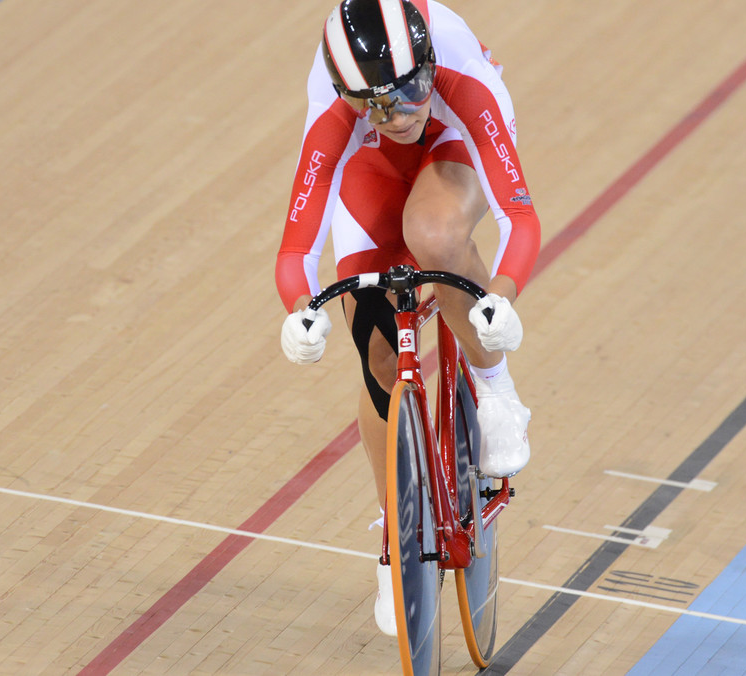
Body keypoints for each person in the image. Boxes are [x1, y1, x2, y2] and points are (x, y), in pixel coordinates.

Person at [275, 0, 540, 635]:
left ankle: (497, 392)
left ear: (428, 63)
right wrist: (299, 313)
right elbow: (298, 248)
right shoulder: (338, 108)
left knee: (432, 233)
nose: (400, 113)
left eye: (411, 89)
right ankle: (396, 537)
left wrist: (499, 295)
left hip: (458, 137)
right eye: (377, 104)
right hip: (370, 168)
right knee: (375, 346)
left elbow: (520, 220)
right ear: (350, 95)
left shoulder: (454, 75)